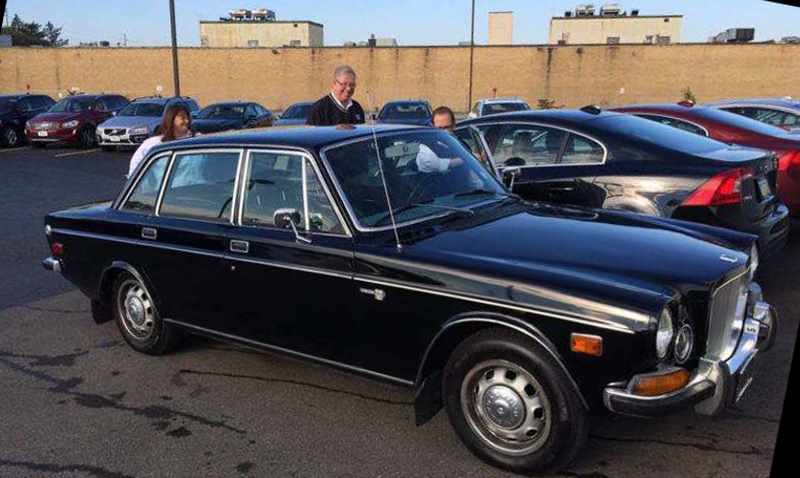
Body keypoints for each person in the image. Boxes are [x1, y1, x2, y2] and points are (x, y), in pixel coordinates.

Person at [127, 103, 196, 178]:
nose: (187, 121)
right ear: (171, 119)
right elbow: (135, 169)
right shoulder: (154, 144)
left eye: (188, 117)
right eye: (182, 117)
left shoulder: (195, 141)